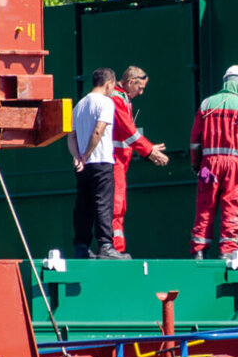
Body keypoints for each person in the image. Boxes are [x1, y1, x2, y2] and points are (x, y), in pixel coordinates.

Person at [189, 65, 238, 262]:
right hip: (233, 165)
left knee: (205, 205)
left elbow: (195, 139)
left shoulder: (206, 104)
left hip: (208, 165)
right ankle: (227, 250)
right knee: (232, 205)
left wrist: (196, 164)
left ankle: (199, 250)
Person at [67, 68, 128, 260]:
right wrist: (86, 155)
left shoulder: (79, 105)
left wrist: (77, 157)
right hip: (101, 161)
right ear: (109, 83)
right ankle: (106, 247)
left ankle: (81, 247)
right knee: (103, 205)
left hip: (83, 167)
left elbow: (71, 136)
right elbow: (98, 131)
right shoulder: (106, 103)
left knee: (83, 206)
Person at [108, 66, 168, 253]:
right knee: (116, 204)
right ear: (131, 82)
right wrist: (149, 151)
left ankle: (114, 247)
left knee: (119, 204)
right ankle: (113, 248)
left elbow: (128, 133)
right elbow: (128, 131)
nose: (140, 93)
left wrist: (148, 148)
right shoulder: (117, 98)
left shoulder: (122, 99)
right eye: (140, 88)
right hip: (114, 160)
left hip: (120, 160)